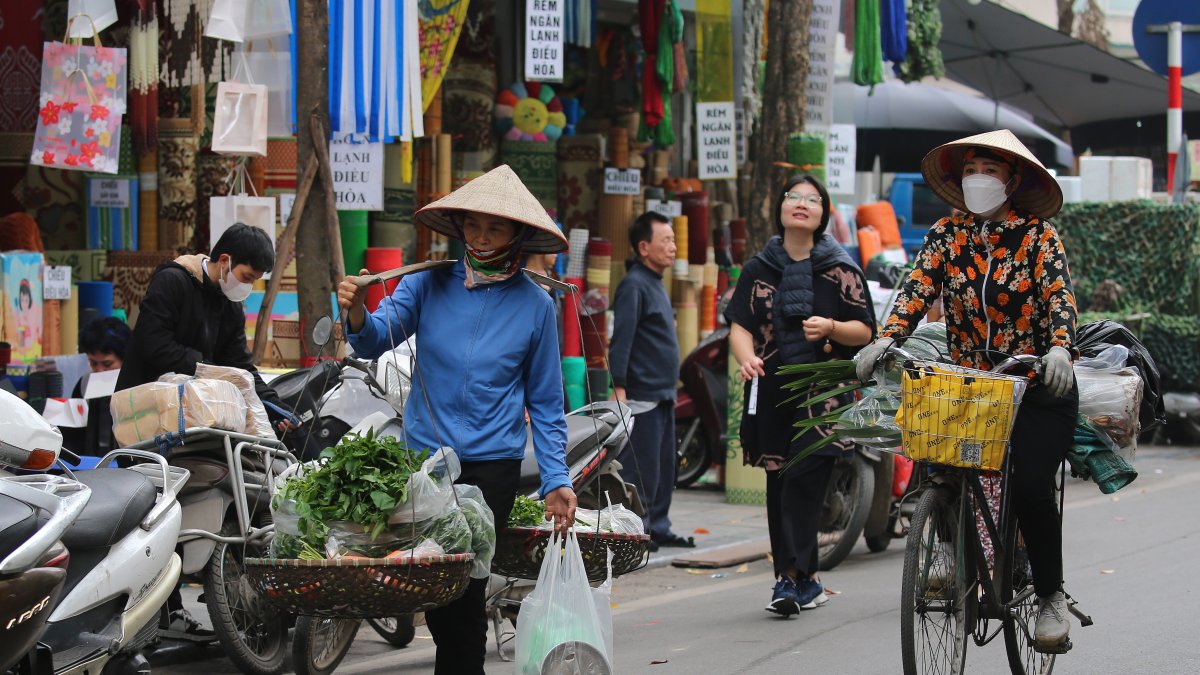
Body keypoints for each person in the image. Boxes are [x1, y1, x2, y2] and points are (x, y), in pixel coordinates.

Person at [336, 164, 577, 675]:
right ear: (460, 227)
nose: (481, 237)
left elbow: (547, 402)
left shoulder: (536, 306)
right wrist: (355, 313)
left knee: (465, 583)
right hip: (425, 459)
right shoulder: (429, 283)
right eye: (473, 225)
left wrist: (557, 478)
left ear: (516, 235)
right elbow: (377, 336)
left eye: (494, 228)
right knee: (435, 580)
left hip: (493, 465)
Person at [856, 129, 1078, 651]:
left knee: (1030, 489)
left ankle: (1050, 594)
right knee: (939, 462)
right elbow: (915, 291)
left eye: (990, 171)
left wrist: (1061, 348)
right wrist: (884, 339)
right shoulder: (947, 235)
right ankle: (946, 550)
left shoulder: (1037, 238)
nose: (979, 179)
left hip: (1034, 384)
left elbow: (1060, 298)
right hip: (971, 387)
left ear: (1013, 180)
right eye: (971, 170)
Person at [118, 222, 293, 641]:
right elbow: (151, 343)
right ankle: (160, 612)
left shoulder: (229, 305)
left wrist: (273, 402)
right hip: (147, 423)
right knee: (151, 519)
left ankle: (182, 604)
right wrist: (201, 368)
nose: (247, 287)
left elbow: (239, 366)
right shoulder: (172, 283)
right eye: (248, 277)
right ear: (226, 261)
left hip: (194, 427)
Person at [724, 175, 875, 616]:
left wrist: (830, 327)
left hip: (823, 395)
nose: (802, 204)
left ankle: (790, 579)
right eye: (794, 197)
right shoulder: (758, 268)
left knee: (803, 477)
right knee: (779, 481)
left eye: (813, 199)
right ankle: (801, 580)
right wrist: (746, 358)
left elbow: (865, 330)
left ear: (824, 212)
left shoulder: (841, 268)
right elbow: (739, 325)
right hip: (771, 391)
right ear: (782, 208)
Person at [608, 210, 692, 550]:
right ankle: (635, 529)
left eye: (673, 240)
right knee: (640, 467)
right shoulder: (634, 285)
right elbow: (622, 339)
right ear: (644, 247)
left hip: (663, 392)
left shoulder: (654, 282)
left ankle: (658, 525)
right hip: (641, 392)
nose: (673, 247)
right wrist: (620, 386)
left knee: (663, 466)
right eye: (666, 240)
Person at [62, 316, 131, 457]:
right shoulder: (85, 384)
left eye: (107, 364)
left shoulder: (137, 387)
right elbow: (72, 434)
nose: (99, 370)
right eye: (94, 363)